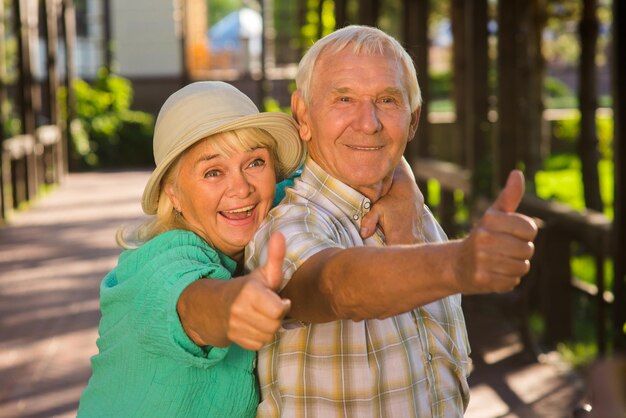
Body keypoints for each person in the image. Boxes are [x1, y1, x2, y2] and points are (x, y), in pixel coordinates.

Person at [77, 81, 422, 417]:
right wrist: (235, 305)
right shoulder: (157, 265)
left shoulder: (265, 198)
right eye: (213, 172)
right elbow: (195, 306)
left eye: (255, 162)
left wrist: (404, 189)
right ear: (174, 193)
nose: (241, 188)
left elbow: (356, 157)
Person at [246, 25, 539, 417]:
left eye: (387, 100)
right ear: (302, 115)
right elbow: (335, 287)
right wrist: (457, 263)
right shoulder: (286, 226)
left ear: (413, 120)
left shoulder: (414, 213)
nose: (368, 123)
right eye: (343, 98)